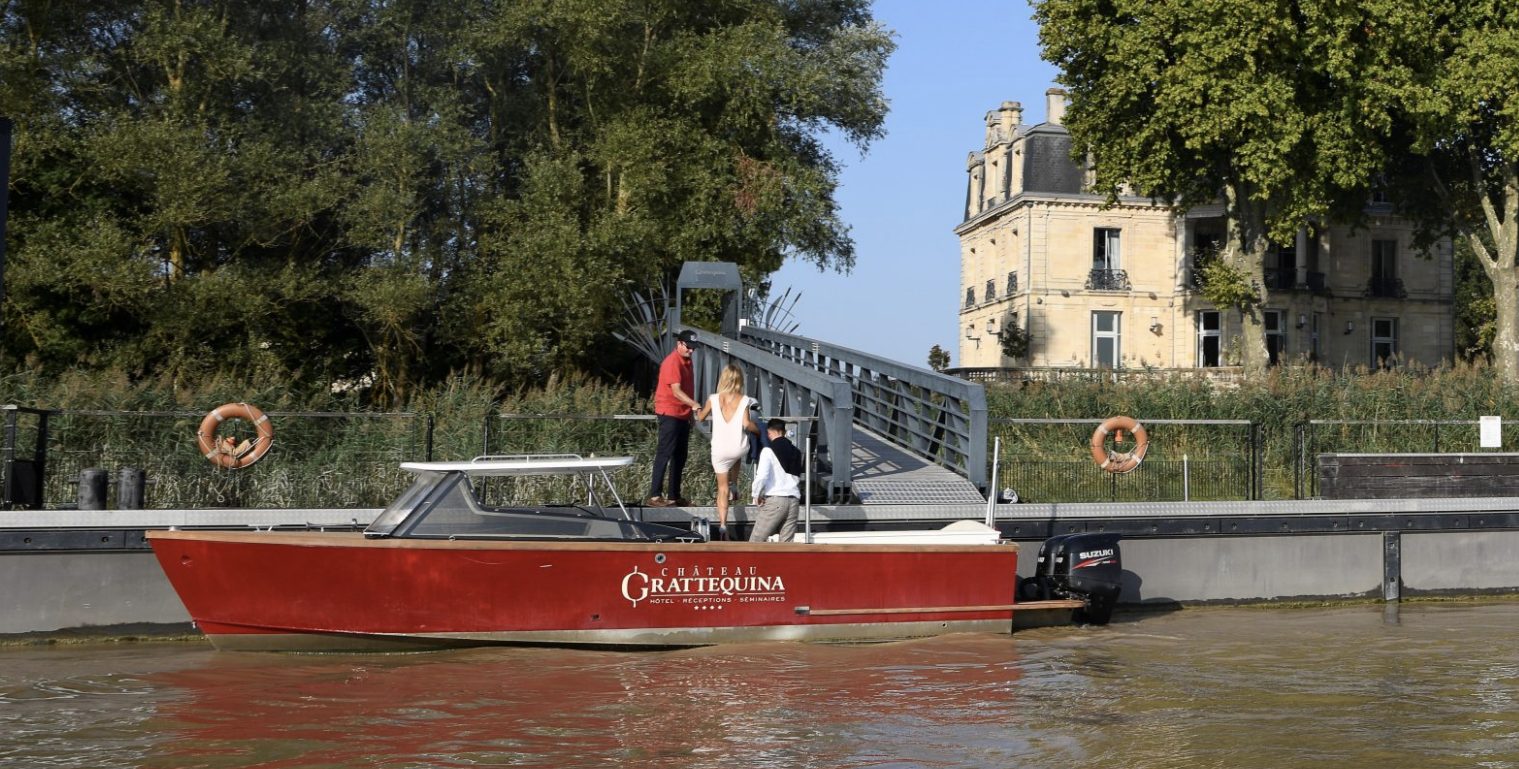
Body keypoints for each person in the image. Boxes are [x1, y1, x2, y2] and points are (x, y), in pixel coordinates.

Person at [694, 364, 758, 539]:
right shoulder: (745, 400)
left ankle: (723, 525)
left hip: (720, 450)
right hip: (738, 447)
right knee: (736, 453)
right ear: (739, 381)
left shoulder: (713, 399)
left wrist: (696, 408)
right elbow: (746, 424)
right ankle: (735, 483)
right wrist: (759, 430)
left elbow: (700, 418)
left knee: (722, 489)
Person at [648, 329, 701, 508]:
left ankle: (673, 496)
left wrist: (690, 414)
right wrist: (694, 404)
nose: (691, 351)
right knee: (665, 452)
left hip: (682, 414)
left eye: (693, 348)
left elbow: (687, 388)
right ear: (679, 344)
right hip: (669, 412)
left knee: (680, 455)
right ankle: (655, 495)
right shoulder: (672, 362)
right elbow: (676, 390)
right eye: (688, 347)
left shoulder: (688, 361)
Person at [749, 418, 803, 543]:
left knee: (755, 542)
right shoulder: (797, 452)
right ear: (784, 432)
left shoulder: (768, 450)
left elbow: (762, 476)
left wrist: (756, 495)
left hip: (776, 500)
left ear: (769, 432)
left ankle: (753, 563)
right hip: (794, 501)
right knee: (786, 547)